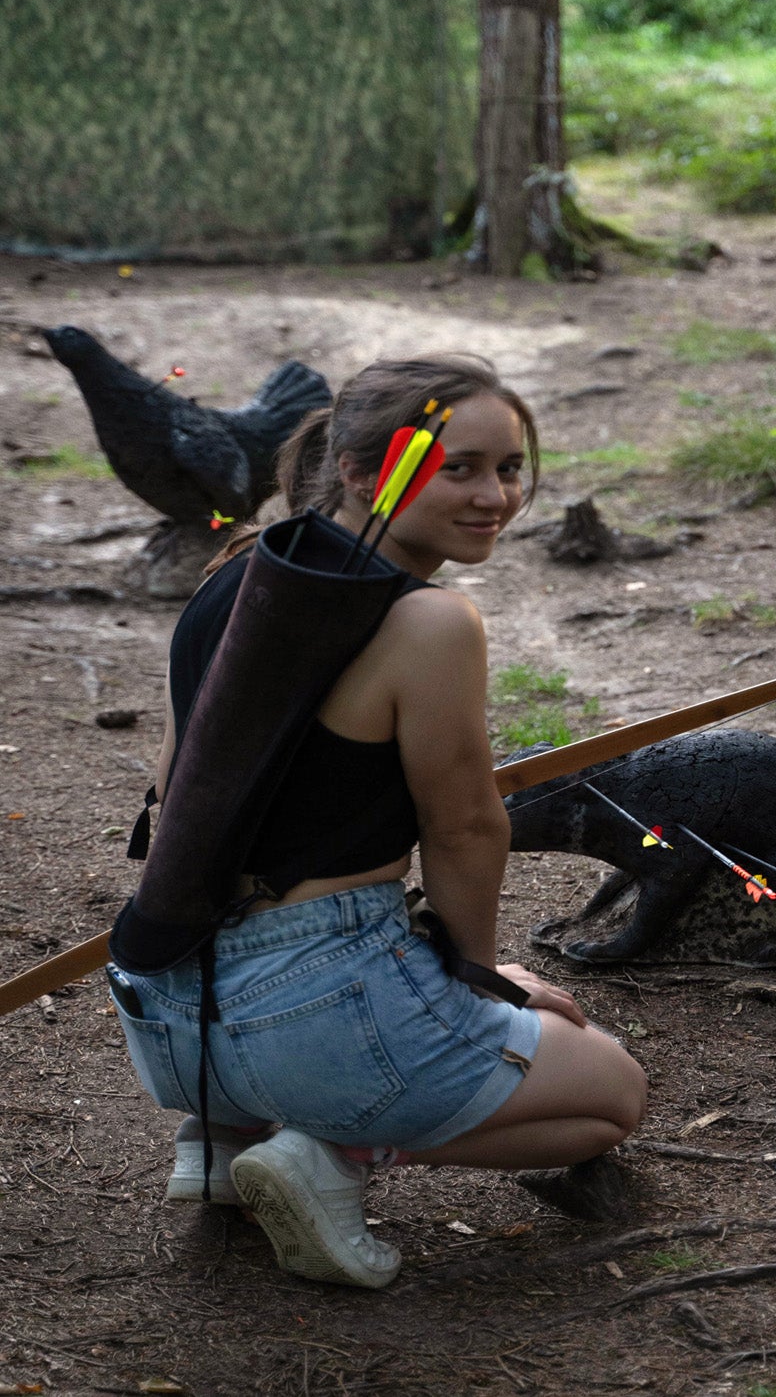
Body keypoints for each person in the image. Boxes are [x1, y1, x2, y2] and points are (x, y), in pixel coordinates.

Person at [106, 355, 648, 1288]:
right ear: (361, 471)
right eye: (456, 468)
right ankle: (335, 1153)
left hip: (166, 1011)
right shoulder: (430, 621)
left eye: (508, 468)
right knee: (611, 1097)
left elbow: (171, 785)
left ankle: (224, 1138)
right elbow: (466, 828)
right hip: (314, 1011)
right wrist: (479, 984)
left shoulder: (237, 571)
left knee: (324, 1039)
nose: (494, 497)